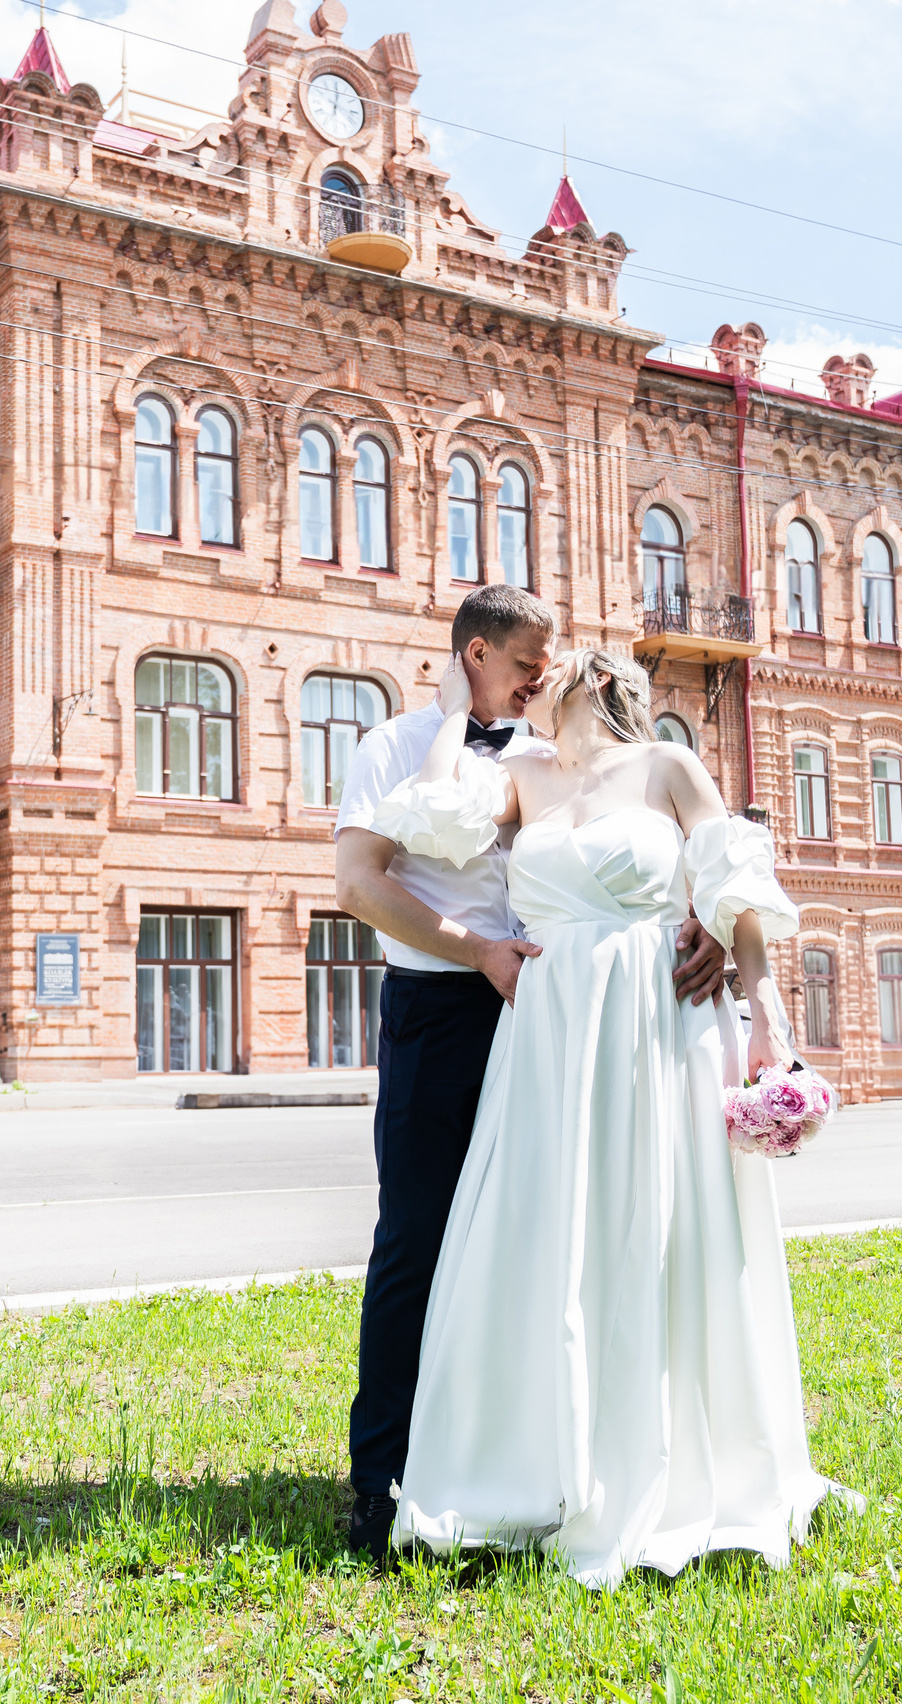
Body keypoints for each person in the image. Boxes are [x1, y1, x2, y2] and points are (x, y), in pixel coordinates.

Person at [368, 642, 856, 1588]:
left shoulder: (666, 765)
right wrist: (444, 711)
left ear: (591, 683)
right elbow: (431, 822)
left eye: (551, 669)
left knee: (667, 1232)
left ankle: (680, 1468)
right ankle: (538, 1467)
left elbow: (735, 888)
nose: (534, 678)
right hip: (551, 1032)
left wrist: (768, 1017)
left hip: (661, 1020)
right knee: (543, 1234)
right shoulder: (518, 775)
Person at [332, 587, 728, 1556]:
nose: (541, 679)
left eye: (551, 669)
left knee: (546, 1243)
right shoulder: (391, 745)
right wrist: (477, 953)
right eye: (525, 665)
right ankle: (382, 1481)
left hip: (562, 1018)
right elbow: (358, 885)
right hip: (444, 1010)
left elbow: (641, 841)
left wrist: (700, 915)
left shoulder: (557, 754)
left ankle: (535, 1455)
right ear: (475, 656)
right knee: (418, 1246)